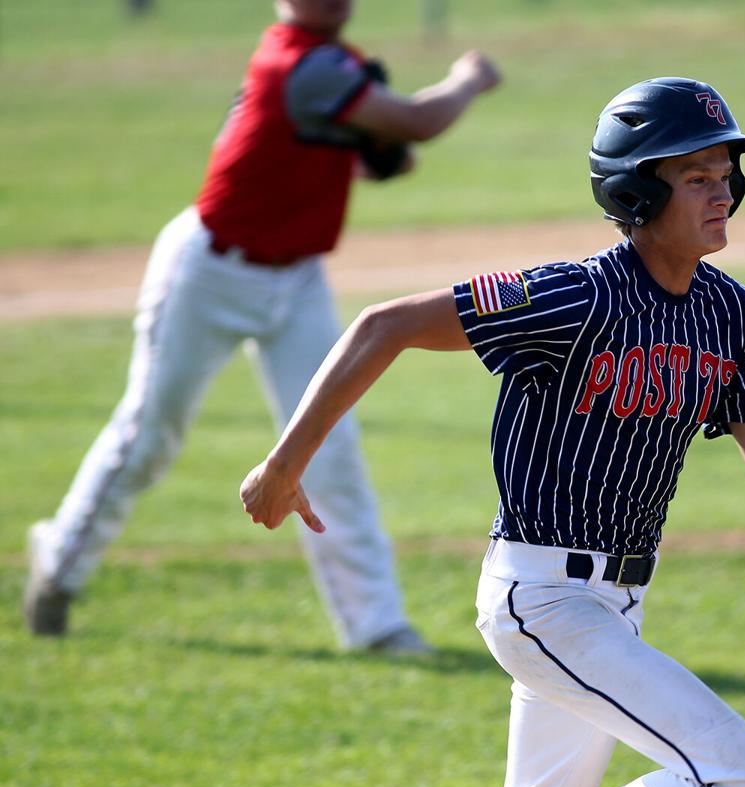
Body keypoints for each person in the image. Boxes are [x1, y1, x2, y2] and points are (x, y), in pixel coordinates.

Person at [239, 77, 745, 787]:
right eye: (697, 177)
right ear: (635, 191)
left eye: (727, 174)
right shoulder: (574, 296)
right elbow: (386, 325)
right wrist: (284, 465)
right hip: (541, 599)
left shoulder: (728, 314)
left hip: (613, 612)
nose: (723, 192)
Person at [22, 0, 501, 656]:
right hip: (210, 272)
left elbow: (375, 158)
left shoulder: (334, 67)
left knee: (330, 440)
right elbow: (418, 123)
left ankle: (376, 625)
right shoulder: (302, 64)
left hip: (297, 277)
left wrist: (375, 153)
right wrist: (467, 79)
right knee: (148, 438)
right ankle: (58, 566)